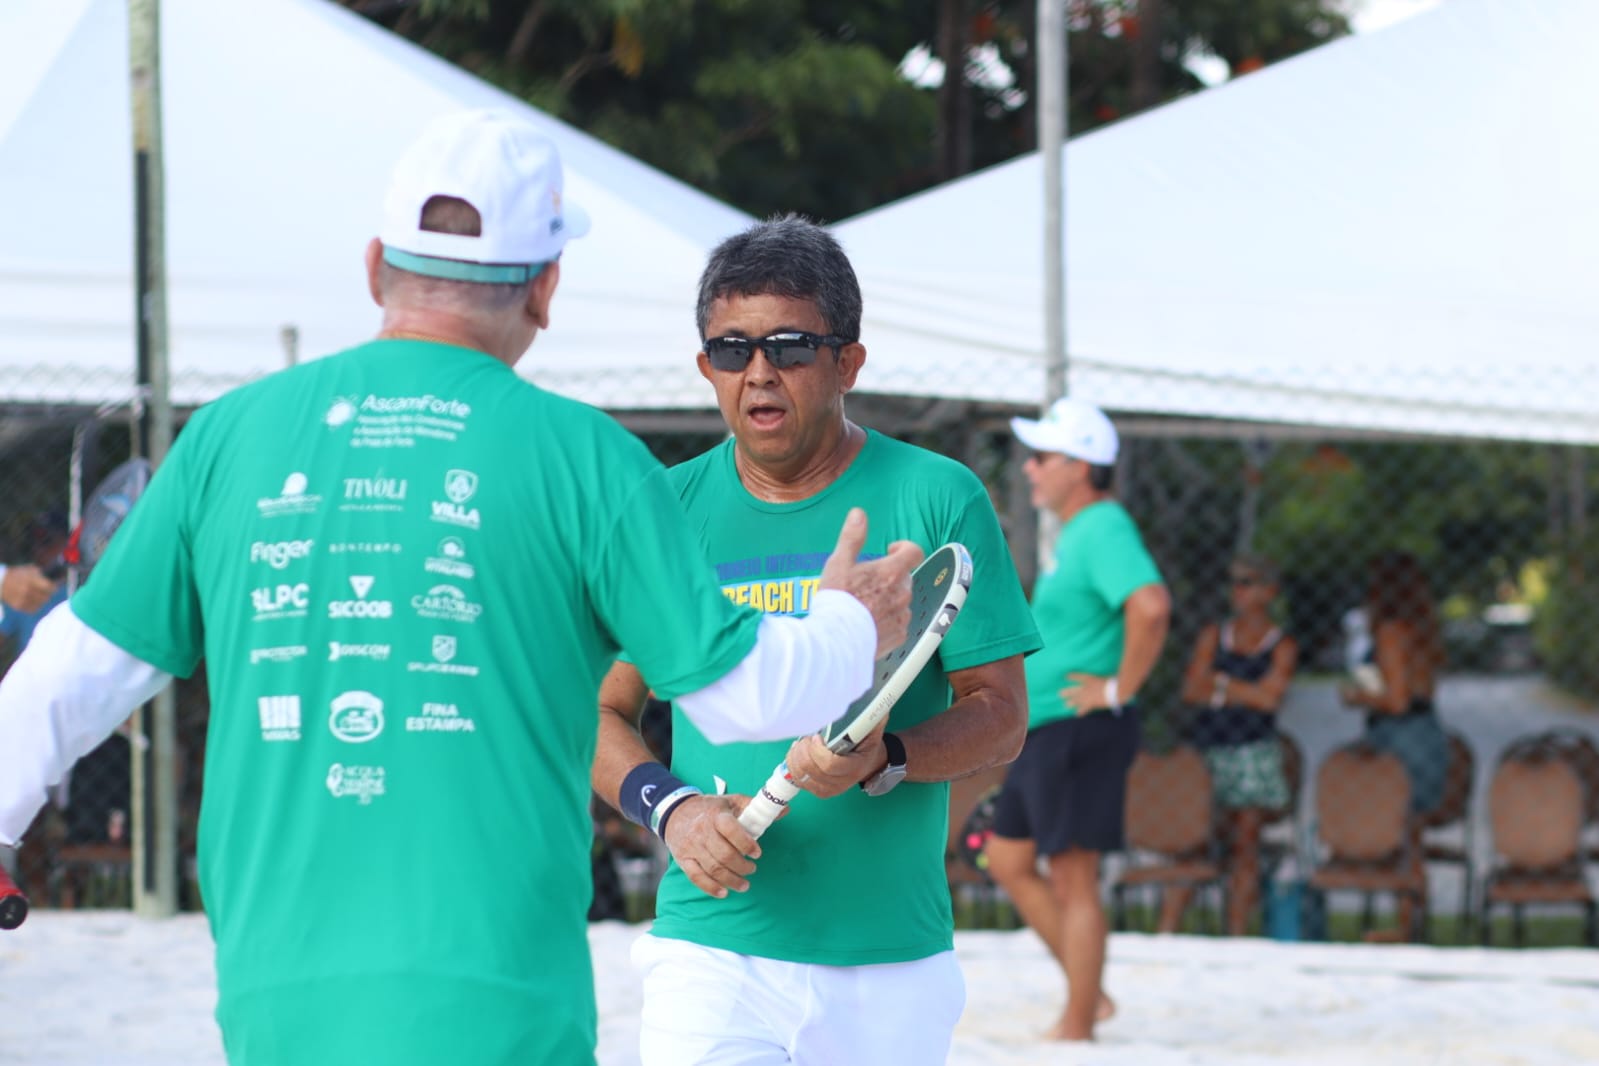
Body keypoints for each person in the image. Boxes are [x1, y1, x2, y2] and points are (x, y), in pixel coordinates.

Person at [0, 111, 925, 1065]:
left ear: (374, 269)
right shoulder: (588, 460)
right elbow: (747, 700)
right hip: (498, 1000)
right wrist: (852, 620)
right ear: (547, 288)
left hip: (276, 995)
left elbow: (71, 672)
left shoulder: (227, 438)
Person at [591, 216, 1041, 1065]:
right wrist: (672, 809)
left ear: (848, 362)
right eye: (731, 349)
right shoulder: (665, 510)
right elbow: (595, 712)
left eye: (789, 346)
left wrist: (886, 756)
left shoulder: (935, 495)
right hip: (711, 948)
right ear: (705, 368)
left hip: (888, 959)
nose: (758, 371)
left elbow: (1000, 714)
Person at [983, 397, 1170, 1043]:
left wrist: (1118, 687)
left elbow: (1150, 607)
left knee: (1073, 876)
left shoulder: (1101, 526)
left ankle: (1077, 1022)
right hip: (1049, 727)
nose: (1029, 469)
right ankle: (1090, 993)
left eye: (1042, 457)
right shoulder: (1077, 532)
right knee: (1006, 860)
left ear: (1081, 465)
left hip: (1078, 727)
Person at [1162, 553, 1299, 936]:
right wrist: (1247, 691)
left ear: (1269, 591)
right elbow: (1192, 688)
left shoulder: (1280, 643)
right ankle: (1167, 932)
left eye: (1248, 582)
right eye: (1234, 582)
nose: (1237, 591)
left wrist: (1219, 685)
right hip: (1209, 749)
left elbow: (1272, 699)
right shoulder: (1215, 634)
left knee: (1245, 845)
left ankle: (1237, 934)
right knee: (1192, 841)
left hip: (1253, 750)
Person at [1338, 549, 1448, 942]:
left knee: (1401, 835)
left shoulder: (1390, 631)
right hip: (1427, 731)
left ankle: (1403, 925)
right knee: (1411, 837)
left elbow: (1396, 699)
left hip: (1400, 736)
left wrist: (1357, 697)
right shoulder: (1422, 631)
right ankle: (1411, 921)